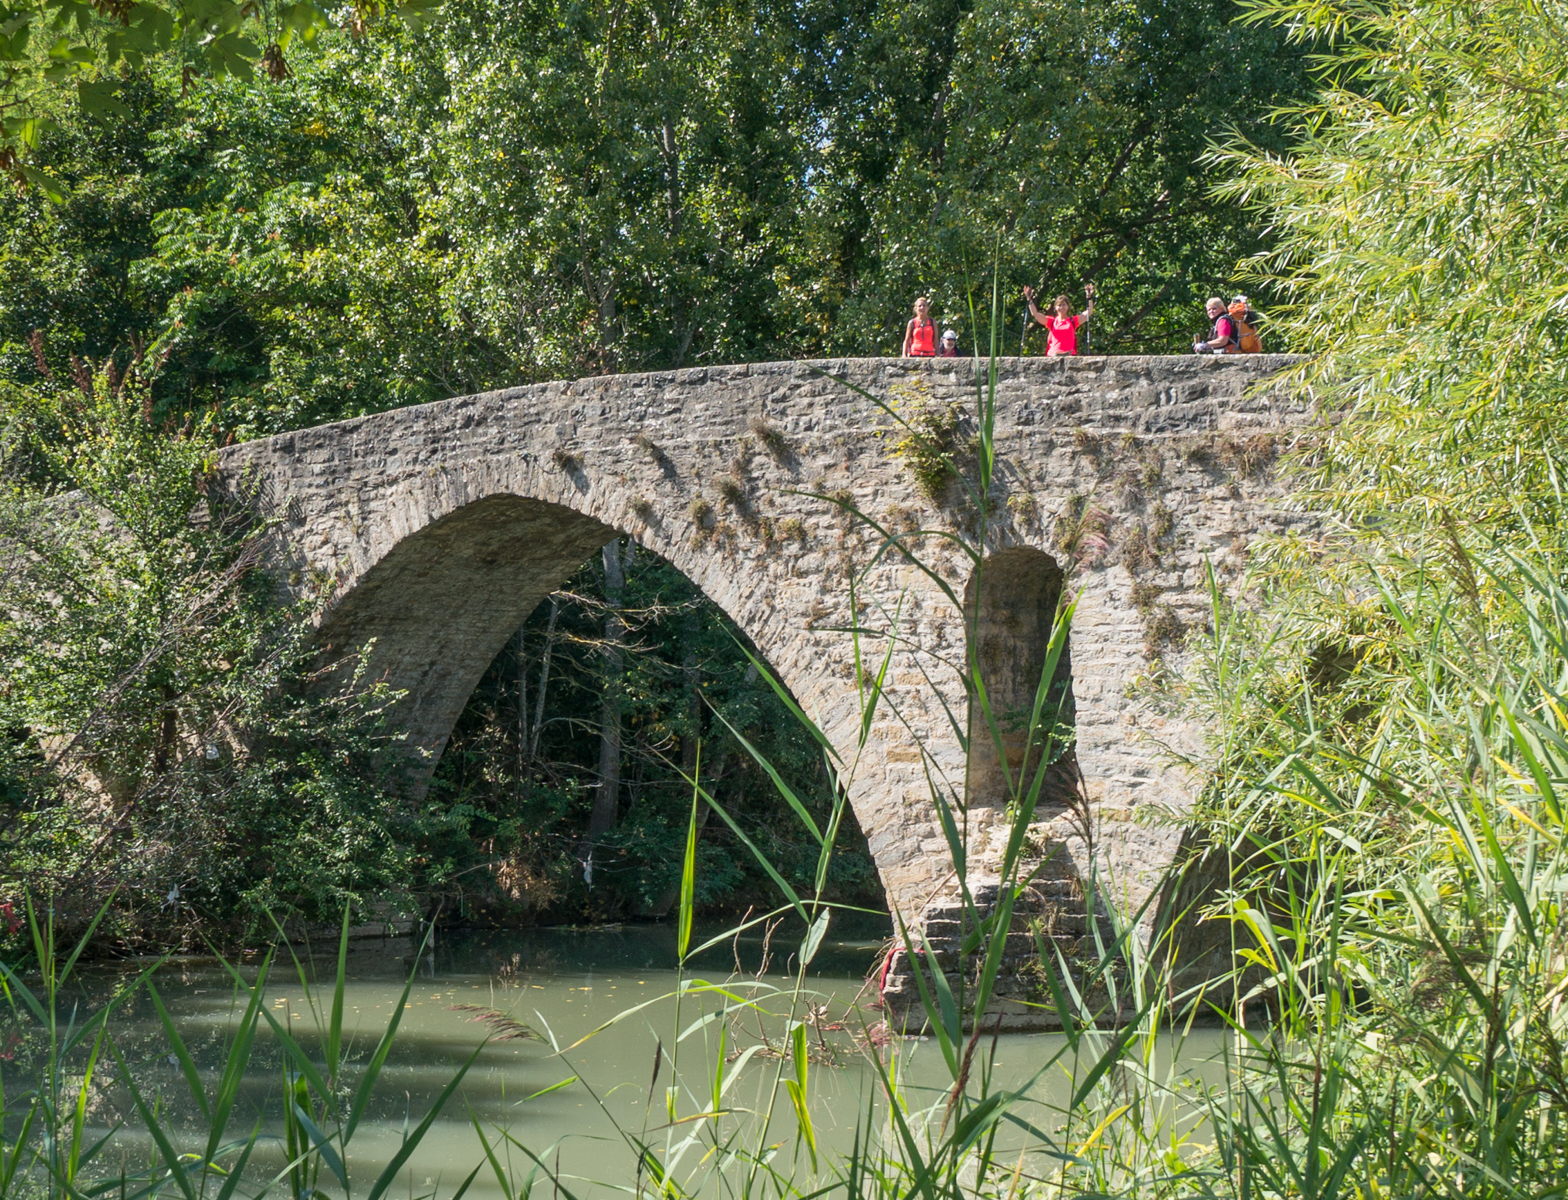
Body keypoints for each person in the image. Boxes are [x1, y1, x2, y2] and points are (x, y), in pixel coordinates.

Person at [1024, 284, 1094, 356]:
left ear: (1068, 306)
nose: (1061, 307)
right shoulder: (1051, 321)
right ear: (1055, 307)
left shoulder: (1073, 321)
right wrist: (1029, 299)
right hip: (1054, 355)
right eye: (1059, 305)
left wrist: (1089, 297)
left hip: (1069, 355)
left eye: (1064, 305)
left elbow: (1089, 312)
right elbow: (1035, 314)